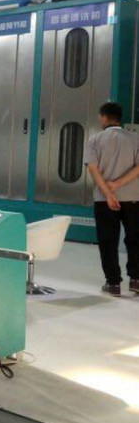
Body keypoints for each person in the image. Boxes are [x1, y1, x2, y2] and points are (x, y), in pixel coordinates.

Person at [84, 101, 139, 296]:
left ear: (104, 118)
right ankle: (136, 280)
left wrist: (108, 192)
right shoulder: (135, 138)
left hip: (103, 199)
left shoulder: (95, 140)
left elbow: (92, 168)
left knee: (108, 240)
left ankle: (113, 283)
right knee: (135, 238)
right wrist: (119, 184)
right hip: (133, 198)